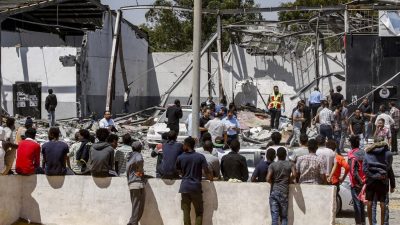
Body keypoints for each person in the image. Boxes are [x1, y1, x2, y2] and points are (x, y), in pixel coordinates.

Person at [176, 137, 212, 225]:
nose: (183, 146)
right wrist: (211, 178)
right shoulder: (200, 157)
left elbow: (178, 171)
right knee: (199, 212)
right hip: (196, 188)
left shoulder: (180, 157)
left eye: (184, 144)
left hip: (184, 187)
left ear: (187, 145)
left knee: (186, 212)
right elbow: (206, 170)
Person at [363, 137, 391, 225]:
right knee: (383, 203)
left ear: (374, 143)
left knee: (370, 202)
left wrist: (371, 175)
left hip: (371, 180)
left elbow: (364, 169)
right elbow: (388, 168)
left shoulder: (367, 153)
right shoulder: (388, 154)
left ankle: (371, 223)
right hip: (382, 180)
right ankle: (382, 223)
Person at [267, 147, 296, 225]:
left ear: (277, 155)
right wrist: (289, 180)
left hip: (274, 192)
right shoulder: (290, 164)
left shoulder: (272, 165)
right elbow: (294, 174)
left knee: (274, 217)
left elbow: (267, 178)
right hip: (284, 192)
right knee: (284, 217)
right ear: (286, 155)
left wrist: (272, 183)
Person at [347, 135, 366, 225]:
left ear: (351, 144)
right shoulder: (364, 153)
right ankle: (363, 222)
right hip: (364, 182)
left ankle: (358, 223)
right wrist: (363, 182)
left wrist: (358, 182)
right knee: (362, 203)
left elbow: (353, 172)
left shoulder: (351, 155)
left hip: (356, 183)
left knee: (357, 204)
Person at [126, 141, 145, 225]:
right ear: (139, 148)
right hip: (138, 183)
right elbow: (140, 160)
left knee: (135, 206)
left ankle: (132, 222)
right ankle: (132, 223)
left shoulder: (129, 156)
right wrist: (140, 171)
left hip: (131, 183)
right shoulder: (138, 155)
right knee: (139, 207)